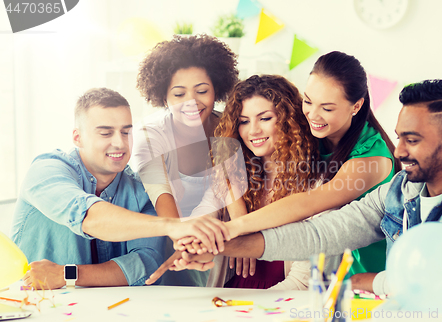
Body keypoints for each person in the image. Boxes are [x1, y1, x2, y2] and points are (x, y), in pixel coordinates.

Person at [171, 79, 442, 297]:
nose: (398, 151)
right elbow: (319, 235)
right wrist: (219, 247)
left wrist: (363, 282)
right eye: (399, 137)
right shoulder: (400, 191)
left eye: (411, 141)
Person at [175, 51, 400, 281]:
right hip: (328, 268)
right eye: (308, 101)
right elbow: (229, 149)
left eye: (327, 108)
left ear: (356, 106)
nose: (312, 115)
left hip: (365, 274)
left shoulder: (372, 161)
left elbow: (310, 203)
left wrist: (237, 229)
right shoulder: (313, 132)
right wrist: (234, 206)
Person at [11, 88, 228, 289]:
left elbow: (145, 263)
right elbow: (89, 217)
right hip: (30, 305)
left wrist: (68, 275)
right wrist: (173, 226)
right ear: (78, 137)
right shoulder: (46, 171)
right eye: (106, 133)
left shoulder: (140, 191)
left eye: (126, 132)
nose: (120, 143)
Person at [188, 74, 322, 289]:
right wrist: (195, 241)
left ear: (290, 120)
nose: (253, 130)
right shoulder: (231, 176)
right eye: (243, 121)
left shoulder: (316, 185)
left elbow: (303, 280)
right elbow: (203, 217)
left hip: (279, 302)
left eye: (265, 118)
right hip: (232, 297)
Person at [132, 34, 239, 286]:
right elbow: (160, 192)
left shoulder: (231, 128)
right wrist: (182, 239)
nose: (191, 102)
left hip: (217, 241)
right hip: (167, 239)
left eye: (202, 91)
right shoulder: (149, 135)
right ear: (163, 96)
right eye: (179, 94)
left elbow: (223, 193)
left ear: (217, 88)